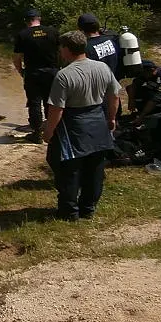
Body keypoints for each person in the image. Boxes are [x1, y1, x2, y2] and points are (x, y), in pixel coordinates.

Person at [42, 30, 120, 221]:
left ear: (67, 49)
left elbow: (57, 109)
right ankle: (88, 208)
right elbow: (114, 96)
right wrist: (111, 119)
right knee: (95, 168)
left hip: (74, 124)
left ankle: (69, 212)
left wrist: (48, 131)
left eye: (61, 47)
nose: (60, 51)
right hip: (98, 120)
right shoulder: (102, 68)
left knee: (68, 168)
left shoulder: (64, 75)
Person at [13, 8, 60, 143]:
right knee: (50, 101)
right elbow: (61, 51)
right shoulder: (53, 32)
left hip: (33, 72)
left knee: (34, 103)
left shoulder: (23, 34)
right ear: (39, 18)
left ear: (26, 21)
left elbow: (16, 57)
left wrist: (21, 71)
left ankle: (37, 133)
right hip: (52, 72)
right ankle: (51, 130)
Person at [127, 60, 161, 126]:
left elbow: (156, 99)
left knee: (155, 99)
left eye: (145, 72)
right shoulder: (144, 74)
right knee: (139, 91)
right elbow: (131, 87)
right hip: (157, 95)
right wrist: (131, 100)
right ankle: (147, 112)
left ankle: (155, 114)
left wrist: (141, 116)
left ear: (152, 70)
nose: (143, 75)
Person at [77, 13, 124, 80]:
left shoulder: (86, 48)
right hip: (112, 81)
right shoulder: (110, 40)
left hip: (98, 85)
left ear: (80, 28)